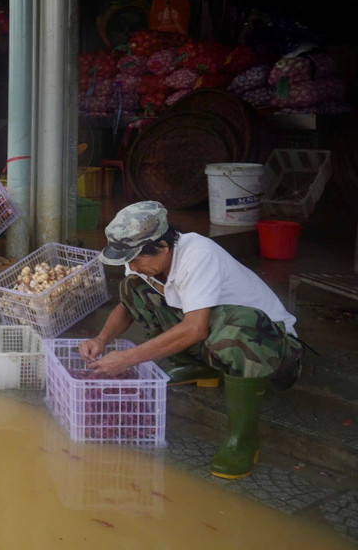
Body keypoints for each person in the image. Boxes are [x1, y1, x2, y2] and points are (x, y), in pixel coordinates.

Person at [78, 201, 303, 480]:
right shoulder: (142, 264)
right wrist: (101, 339)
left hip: (271, 349)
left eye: (136, 259)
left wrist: (127, 358)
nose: (132, 265)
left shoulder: (198, 255)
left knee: (236, 332)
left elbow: (195, 329)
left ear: (162, 246)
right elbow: (126, 306)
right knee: (132, 287)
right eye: (128, 260)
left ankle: (242, 441)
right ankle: (200, 365)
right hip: (214, 334)